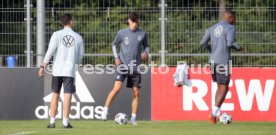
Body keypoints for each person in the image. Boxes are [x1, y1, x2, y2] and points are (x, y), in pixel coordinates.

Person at [101, 12, 150, 125]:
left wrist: (146, 52)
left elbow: (146, 46)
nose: (134, 24)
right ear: (129, 21)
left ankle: (133, 118)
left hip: (136, 66)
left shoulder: (142, 33)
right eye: (132, 22)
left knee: (136, 92)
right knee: (117, 88)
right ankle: (105, 111)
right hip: (122, 65)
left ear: (138, 21)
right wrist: (116, 57)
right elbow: (114, 45)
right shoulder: (122, 33)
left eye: (136, 21)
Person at [38, 13, 84, 128]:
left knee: (55, 94)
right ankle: (65, 122)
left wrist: (43, 66)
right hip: (69, 71)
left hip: (57, 70)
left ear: (61, 23)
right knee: (68, 95)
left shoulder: (56, 35)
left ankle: (52, 121)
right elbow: (80, 56)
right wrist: (75, 66)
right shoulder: (78, 37)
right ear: (71, 22)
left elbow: (50, 51)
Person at [200, 10, 243, 124]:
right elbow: (230, 43)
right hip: (223, 61)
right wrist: (239, 48)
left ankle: (216, 115)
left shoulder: (212, 27)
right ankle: (213, 114)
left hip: (213, 61)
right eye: (234, 18)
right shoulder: (230, 28)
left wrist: (212, 50)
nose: (235, 20)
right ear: (230, 18)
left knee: (219, 87)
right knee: (224, 88)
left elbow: (202, 43)